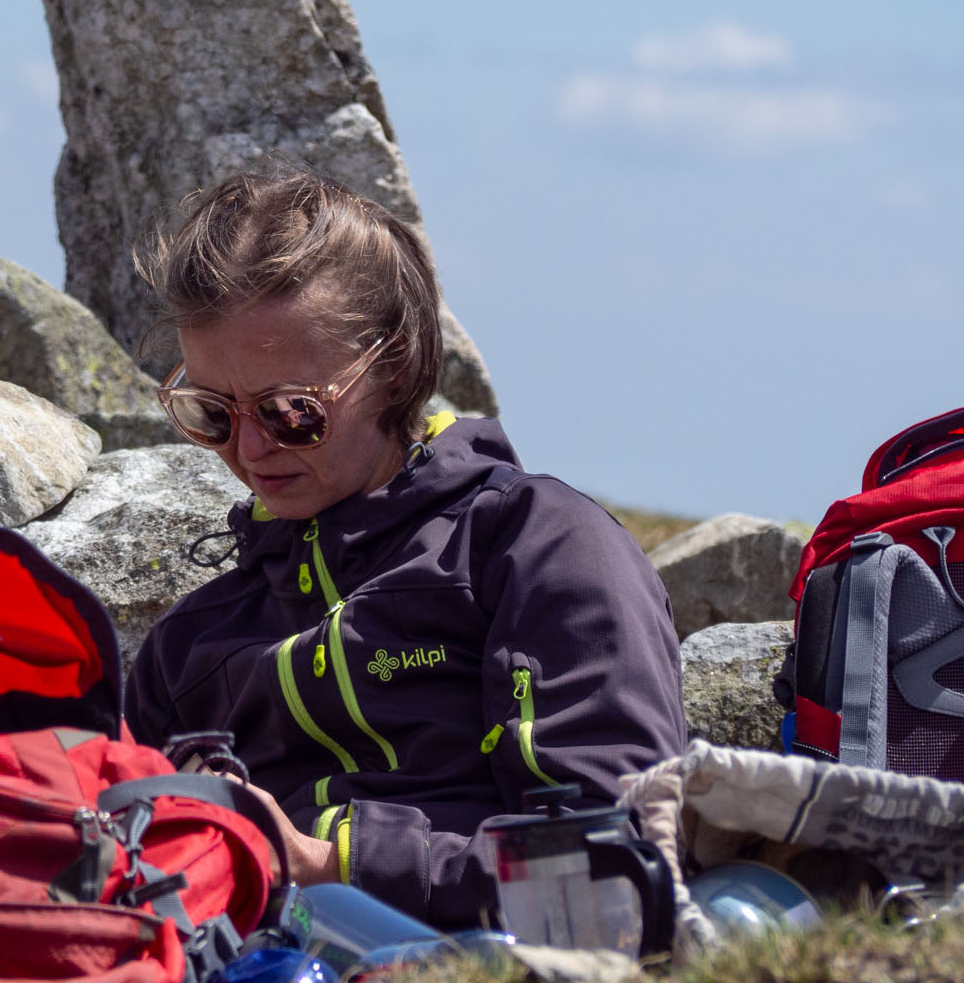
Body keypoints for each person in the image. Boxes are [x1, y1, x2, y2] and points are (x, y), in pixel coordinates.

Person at [126, 166, 686, 929]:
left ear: (390, 369)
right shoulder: (187, 646)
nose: (249, 448)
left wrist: (325, 862)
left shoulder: (539, 548)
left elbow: (608, 865)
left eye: (292, 411)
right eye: (208, 412)